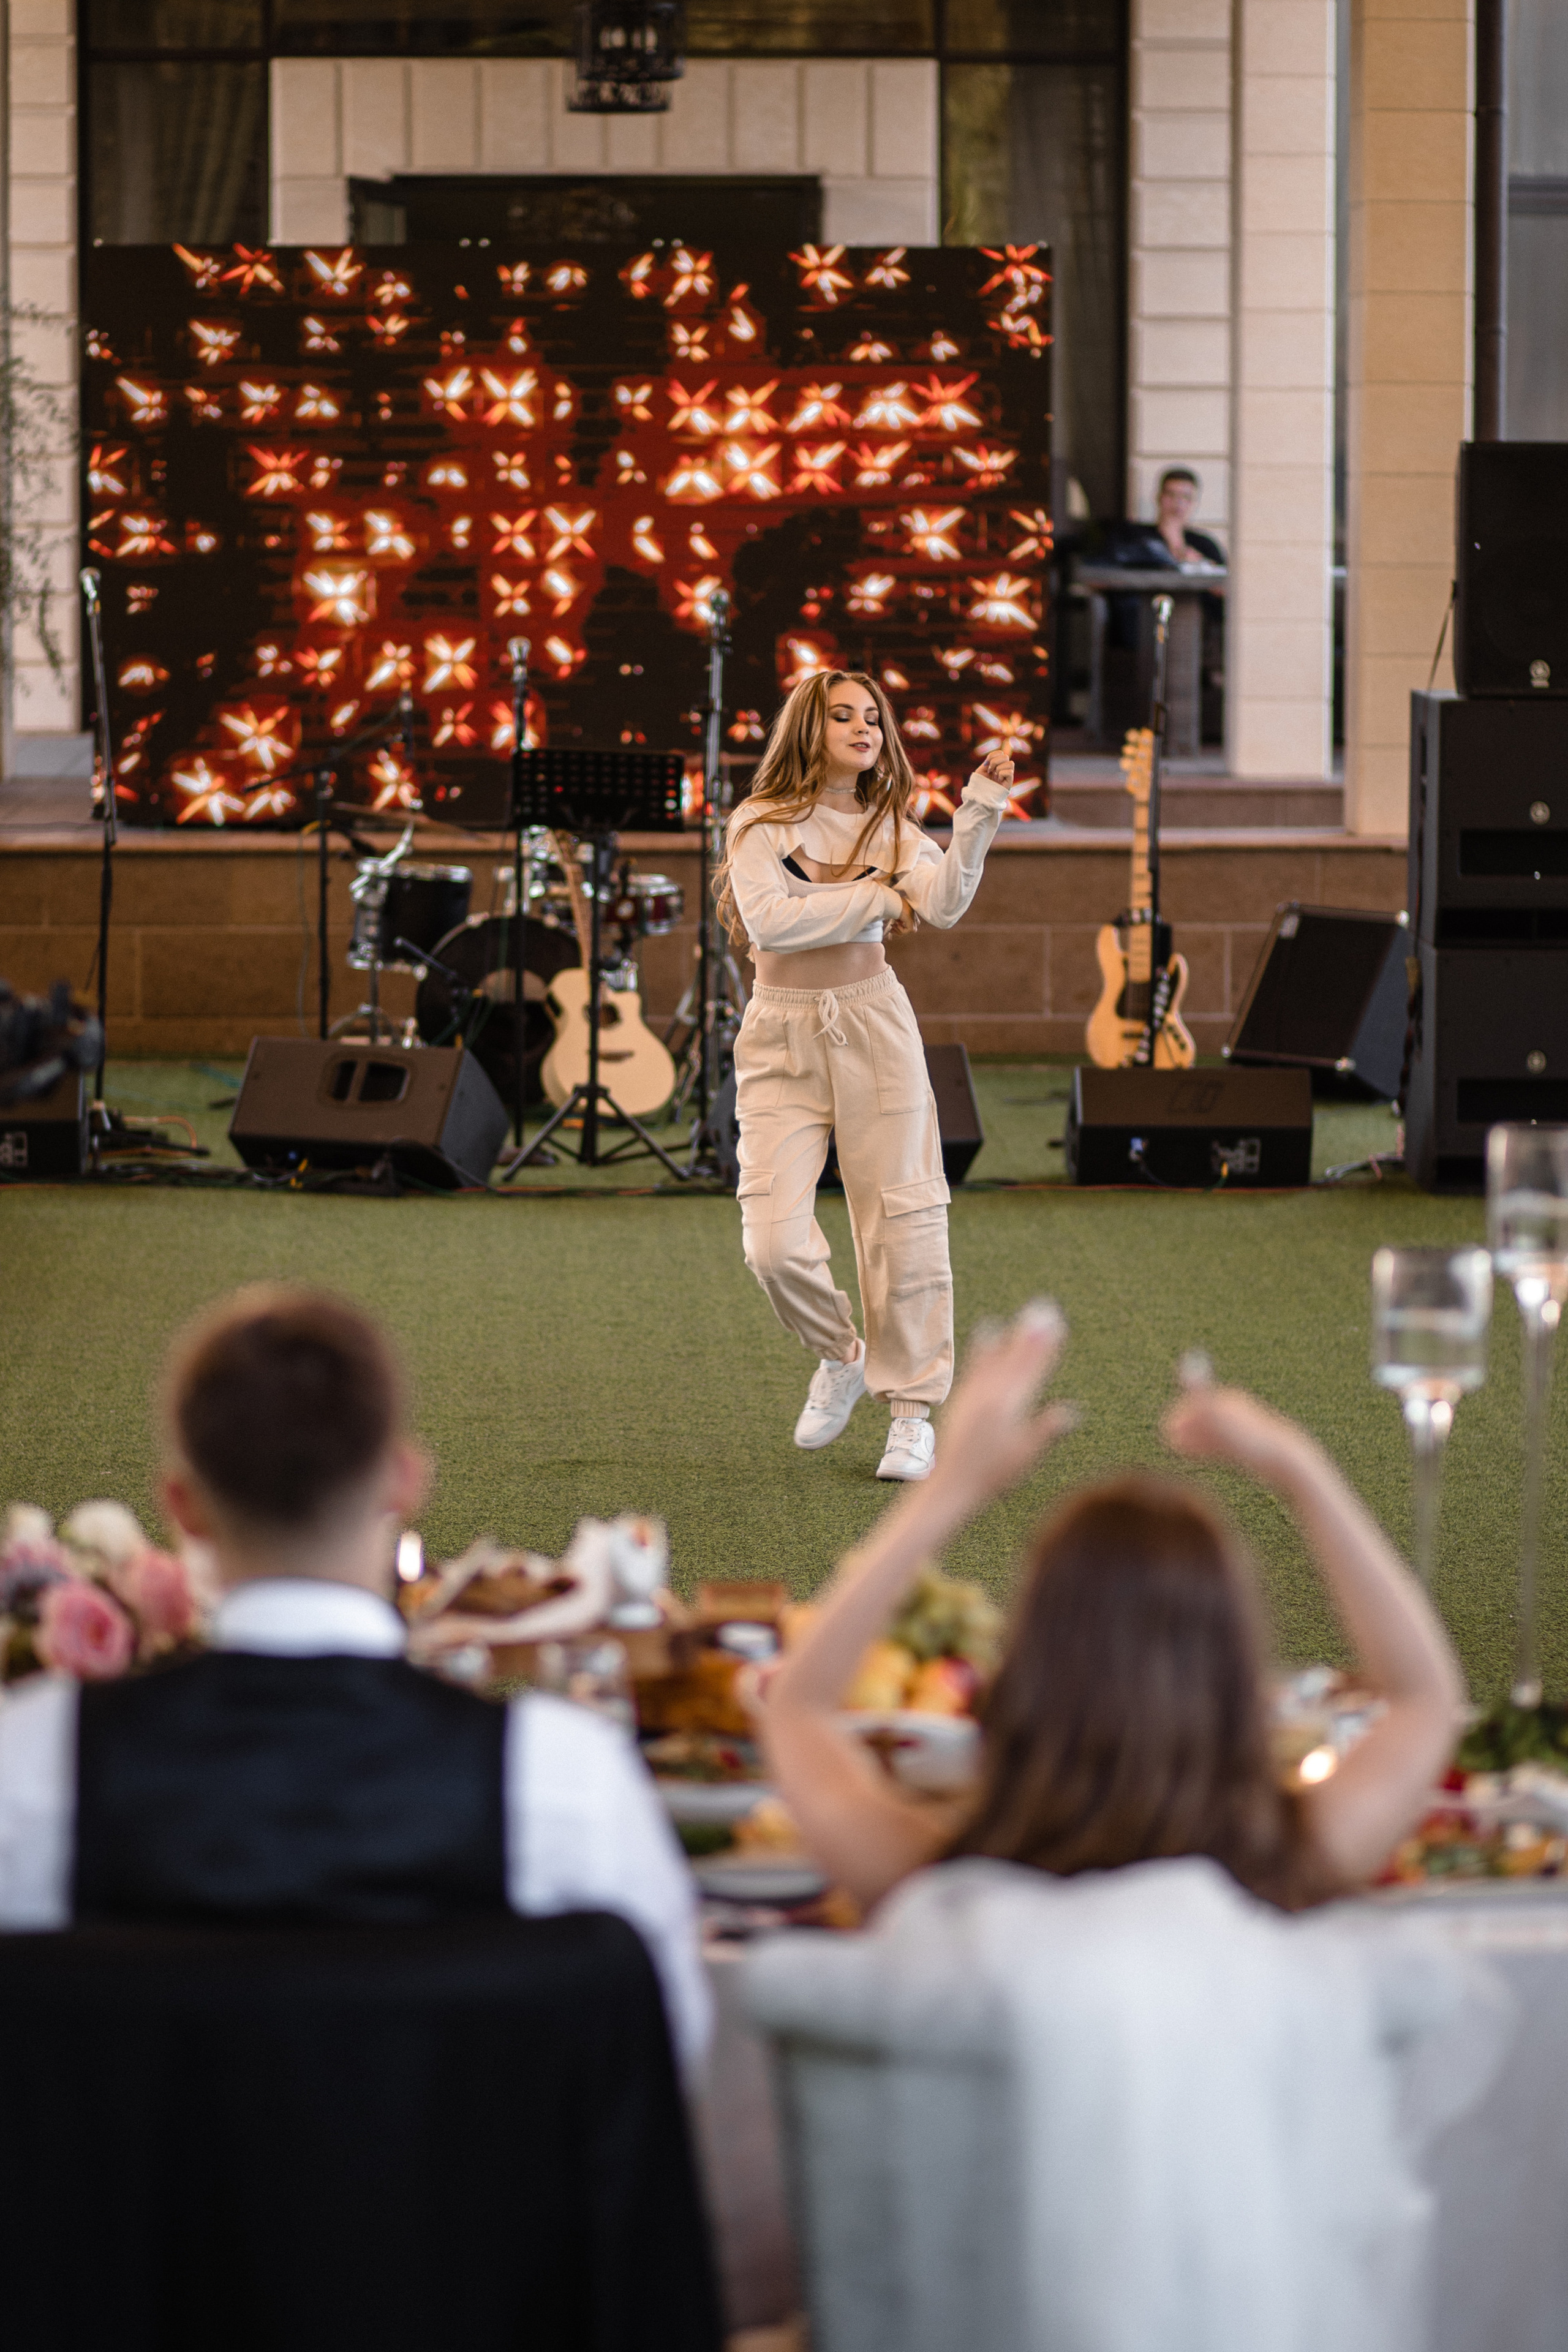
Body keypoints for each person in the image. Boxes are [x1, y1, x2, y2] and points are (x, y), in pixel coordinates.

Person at [0, 1284, 710, 2074]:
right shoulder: (561, 1780)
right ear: (403, 1479)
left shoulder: (33, 1765)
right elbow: (669, 2050)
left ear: (183, 1505)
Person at [758, 1302, 1464, 1913]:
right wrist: (1298, 1466)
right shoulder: (1288, 1870)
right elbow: (1424, 1698)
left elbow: (797, 1708)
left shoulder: (938, 1883)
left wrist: (949, 1491)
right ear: (1236, 1680)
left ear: (1023, 1673)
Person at [715, 670, 1014, 1483]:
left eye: (874, 718)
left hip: (874, 1023)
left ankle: (911, 1414)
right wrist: (878, 897)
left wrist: (977, 816)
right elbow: (771, 920)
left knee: (905, 1220)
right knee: (772, 1243)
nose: (864, 728)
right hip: (780, 1038)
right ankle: (841, 1354)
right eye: (843, 715)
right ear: (806, 729)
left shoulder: (892, 827)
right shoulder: (759, 824)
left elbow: (944, 903)